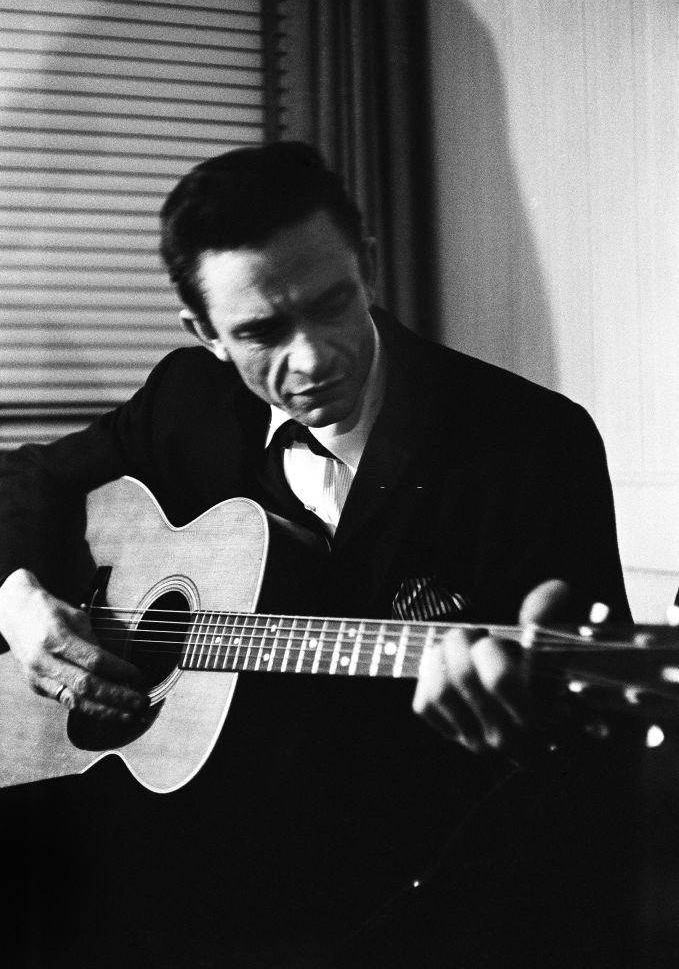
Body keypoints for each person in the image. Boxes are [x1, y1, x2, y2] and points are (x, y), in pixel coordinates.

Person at [0, 142, 634, 968]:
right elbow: (24, 477)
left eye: (332, 302)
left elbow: (596, 745)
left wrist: (514, 715)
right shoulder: (187, 400)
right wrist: (17, 602)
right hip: (198, 869)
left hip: (425, 890)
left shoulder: (531, 441)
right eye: (262, 331)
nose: (312, 357)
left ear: (366, 264)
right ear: (205, 333)